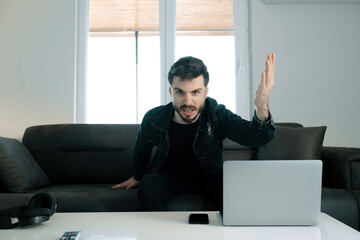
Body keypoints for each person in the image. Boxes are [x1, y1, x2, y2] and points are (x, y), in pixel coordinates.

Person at [112, 54, 276, 210]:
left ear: (206, 92)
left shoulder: (217, 114)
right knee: (149, 186)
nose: (188, 102)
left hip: (209, 178)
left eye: (195, 92)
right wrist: (138, 176)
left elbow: (255, 137)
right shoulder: (153, 118)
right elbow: (142, 147)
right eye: (180, 92)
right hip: (168, 179)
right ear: (171, 92)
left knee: (231, 186)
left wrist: (261, 107)